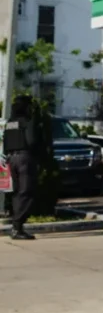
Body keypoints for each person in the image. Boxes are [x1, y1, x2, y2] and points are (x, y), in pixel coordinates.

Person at [3, 95, 43, 240]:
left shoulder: (9, 123)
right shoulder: (27, 122)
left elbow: (5, 142)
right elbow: (32, 141)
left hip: (10, 159)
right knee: (26, 192)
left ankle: (16, 226)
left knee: (17, 192)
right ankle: (17, 226)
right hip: (25, 159)